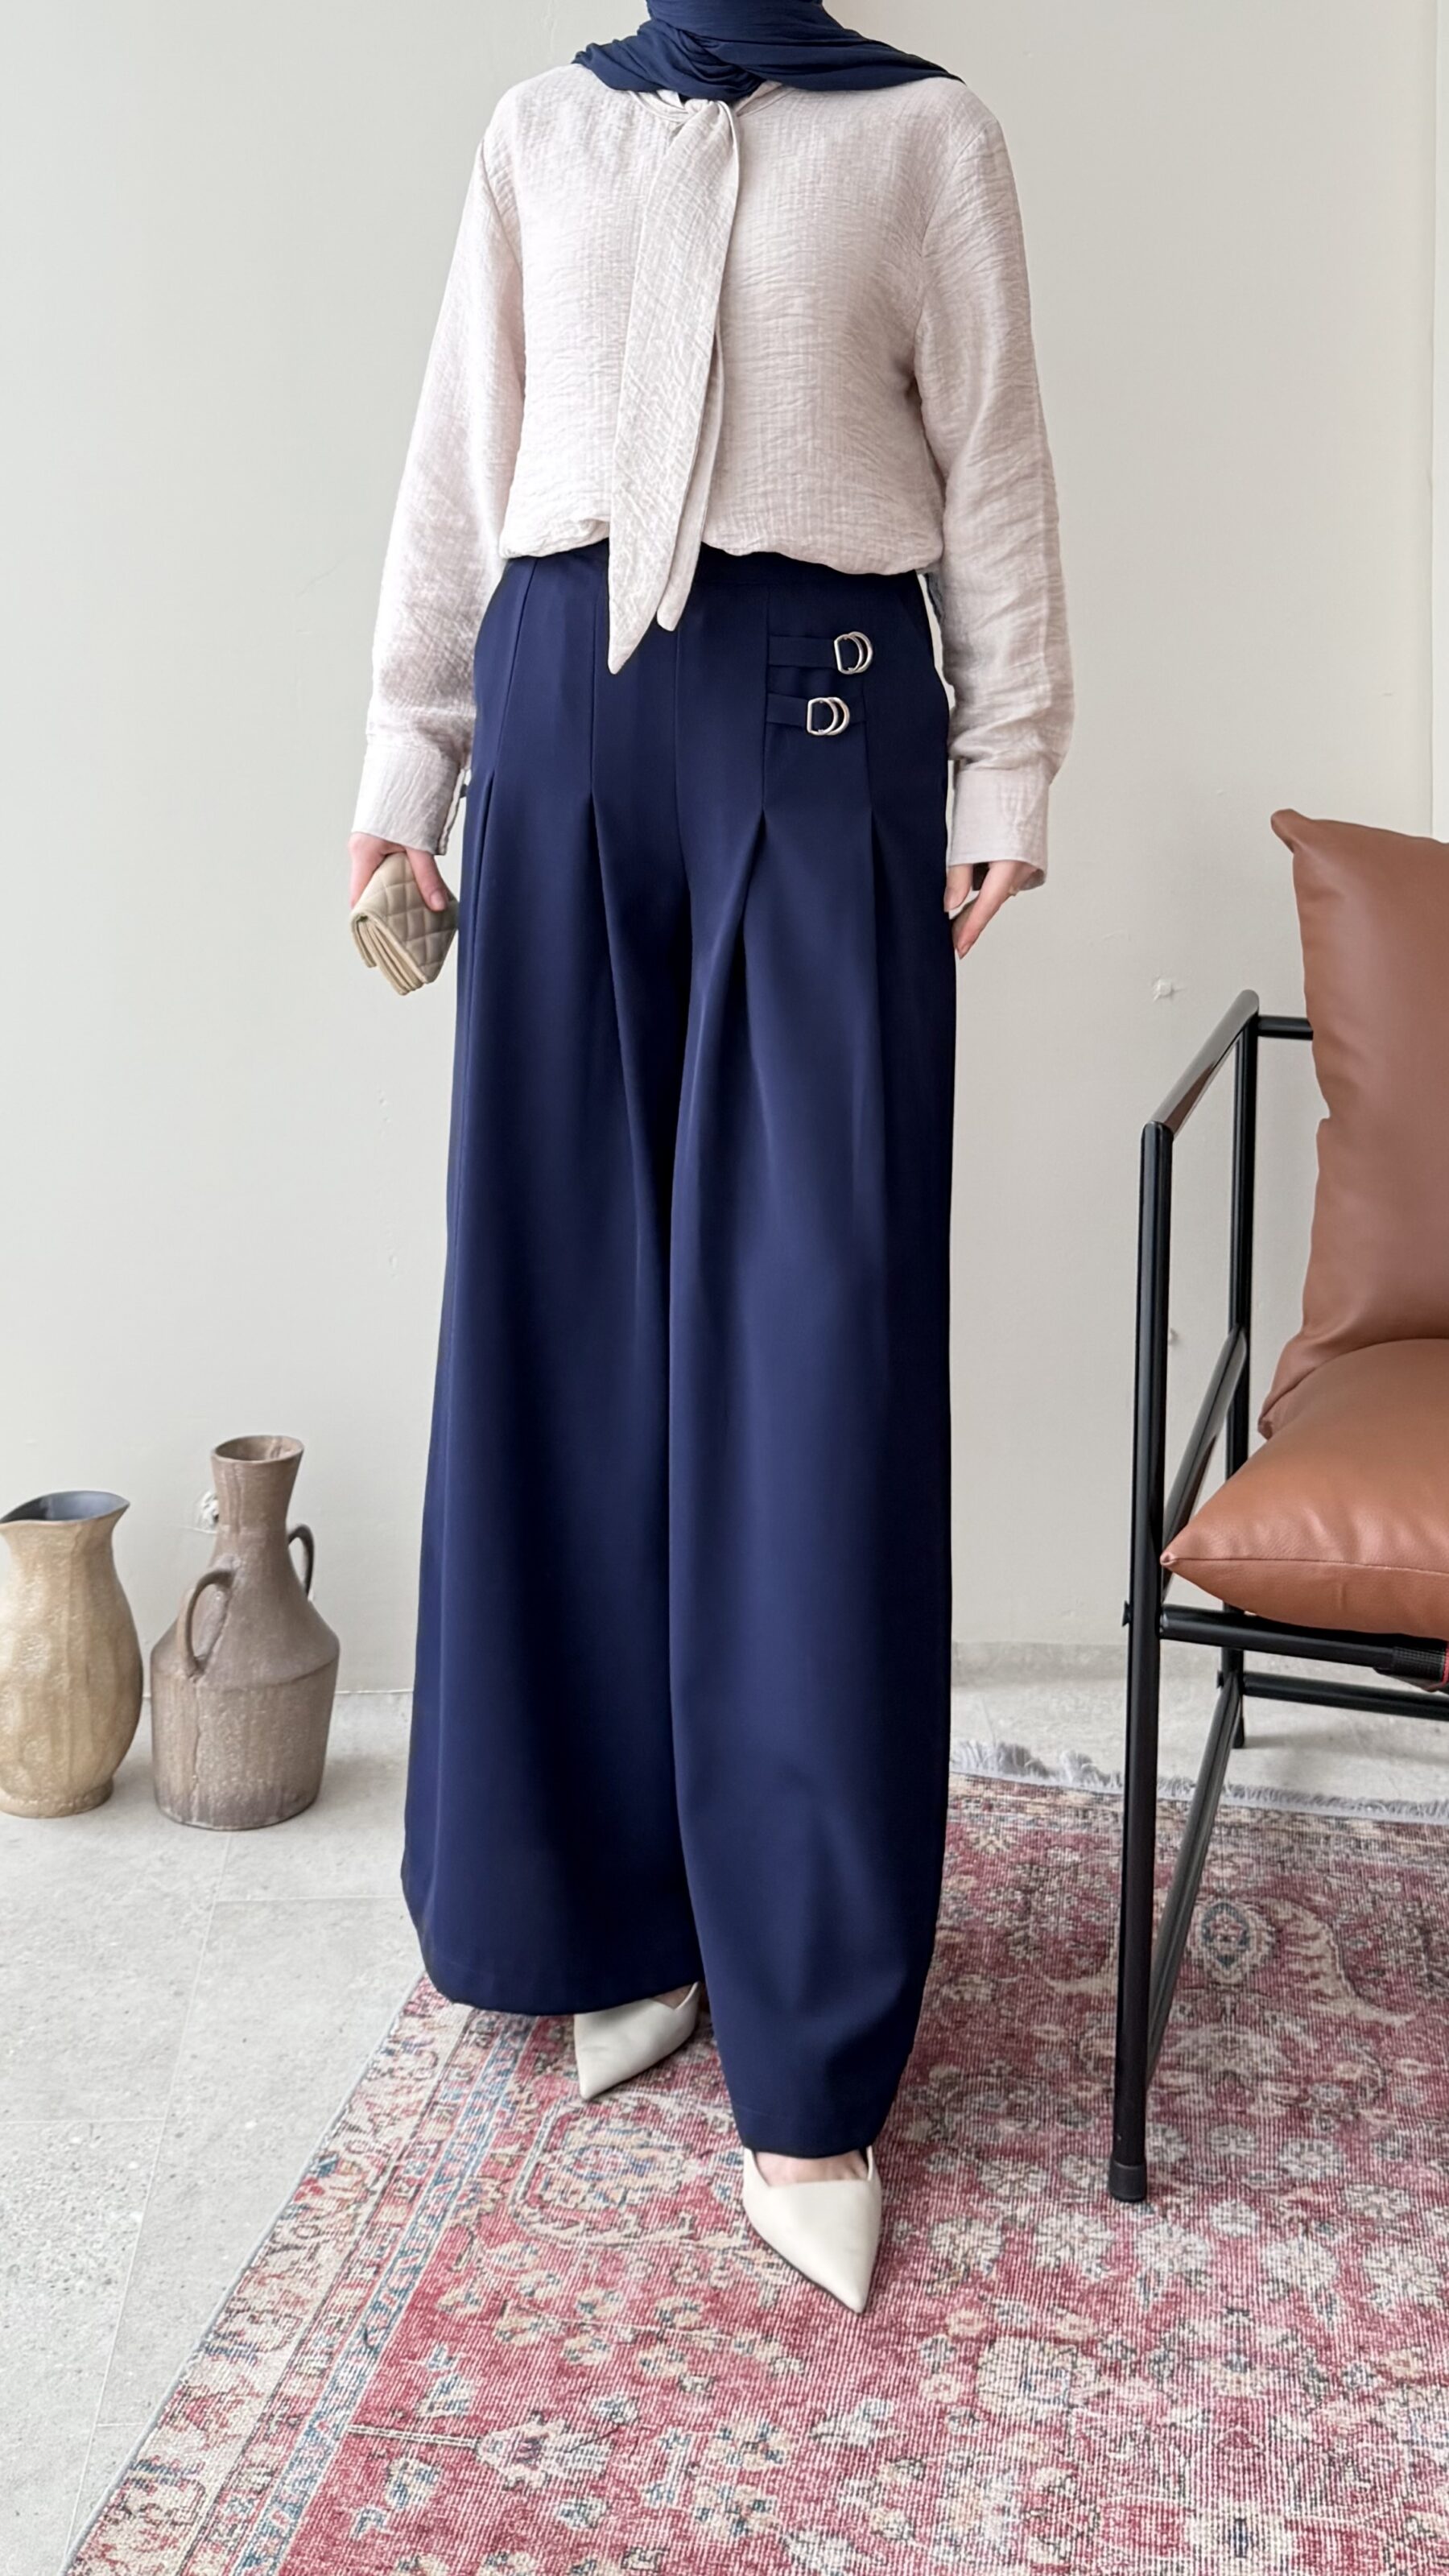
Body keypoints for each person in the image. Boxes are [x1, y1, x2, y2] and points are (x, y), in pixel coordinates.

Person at [349, 0, 1071, 2315]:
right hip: (559, 722)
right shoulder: (542, 130)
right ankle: (608, 1920)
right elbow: (462, 455)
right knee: (564, 1323)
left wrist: (1012, 760)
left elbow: (997, 452)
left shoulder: (925, 138)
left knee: (807, 1361)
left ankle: (812, 2050)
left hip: (824, 711)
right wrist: (405, 764)